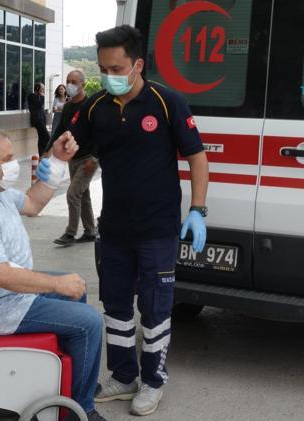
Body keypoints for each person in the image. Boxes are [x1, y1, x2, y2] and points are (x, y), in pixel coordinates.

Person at [67, 25, 209, 416]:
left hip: (157, 229)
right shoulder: (95, 107)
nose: (108, 75)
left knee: (155, 308)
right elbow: (71, 145)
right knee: (115, 306)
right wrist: (59, 153)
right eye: (102, 68)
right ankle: (124, 376)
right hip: (114, 229)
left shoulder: (167, 102)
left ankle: (153, 381)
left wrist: (198, 210)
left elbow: (197, 157)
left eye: (116, 68)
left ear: (138, 65)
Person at [0, 128, 106, 421]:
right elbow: (0, 276)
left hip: (3, 296)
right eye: (6, 159)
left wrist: (57, 161)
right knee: (89, 322)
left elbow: (33, 203)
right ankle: (79, 410)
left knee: (76, 293)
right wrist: (56, 283)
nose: (13, 164)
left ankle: (69, 380)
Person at [46, 70, 99, 246]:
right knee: (83, 195)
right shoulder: (68, 107)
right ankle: (90, 231)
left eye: (74, 82)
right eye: (68, 81)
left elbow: (101, 134)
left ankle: (70, 233)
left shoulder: (91, 106)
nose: (70, 85)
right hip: (73, 158)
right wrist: (47, 150)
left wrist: (95, 158)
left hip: (88, 158)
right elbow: (60, 130)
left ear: (83, 84)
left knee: (73, 194)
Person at [27, 82, 50, 156]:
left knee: (42, 138)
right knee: (47, 136)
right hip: (37, 120)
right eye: (42, 89)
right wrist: (42, 96)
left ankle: (41, 155)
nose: (43, 91)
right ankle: (46, 153)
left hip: (42, 119)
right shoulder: (32, 96)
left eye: (43, 89)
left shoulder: (39, 96)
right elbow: (39, 105)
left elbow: (41, 108)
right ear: (37, 89)